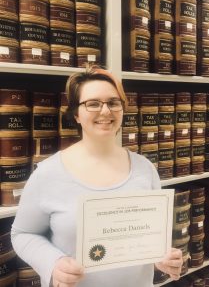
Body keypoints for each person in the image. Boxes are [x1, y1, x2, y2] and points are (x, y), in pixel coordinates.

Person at [11, 67, 183, 287]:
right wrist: (53, 263)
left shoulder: (145, 169)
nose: (105, 111)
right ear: (76, 114)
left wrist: (162, 256)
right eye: (93, 103)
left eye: (113, 102)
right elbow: (23, 234)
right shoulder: (47, 173)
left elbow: (151, 236)